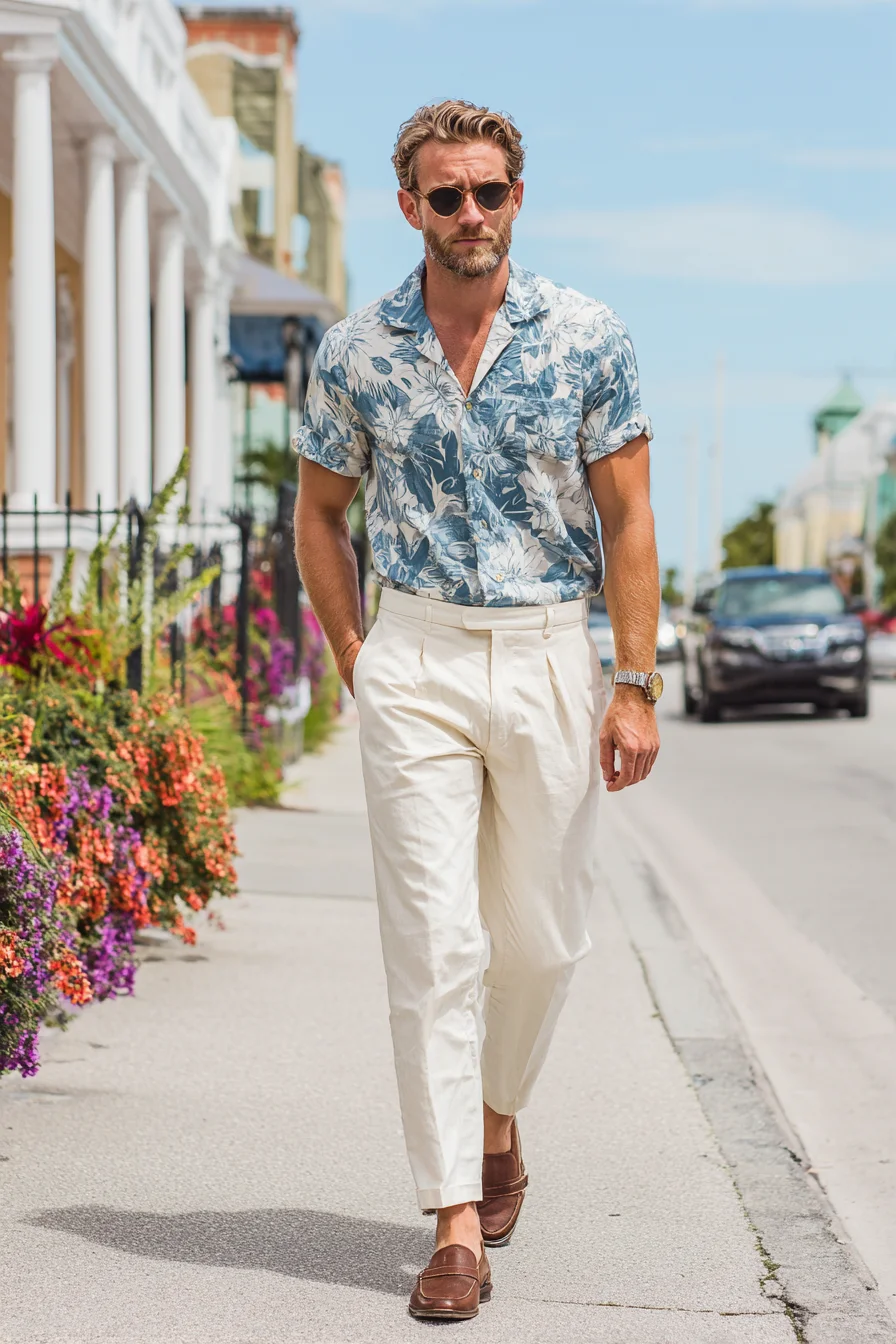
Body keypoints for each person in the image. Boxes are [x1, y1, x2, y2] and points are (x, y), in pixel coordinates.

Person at [294, 100, 662, 1322]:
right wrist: (359, 654)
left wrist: (633, 682)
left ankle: (500, 1116)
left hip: (553, 653)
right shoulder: (356, 350)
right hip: (419, 658)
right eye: (444, 196)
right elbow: (318, 513)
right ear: (409, 208)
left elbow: (626, 520)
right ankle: (454, 1215)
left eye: (487, 193)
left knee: (541, 940)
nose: (469, 215)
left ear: (516, 197)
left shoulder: (586, 337)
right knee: (436, 944)